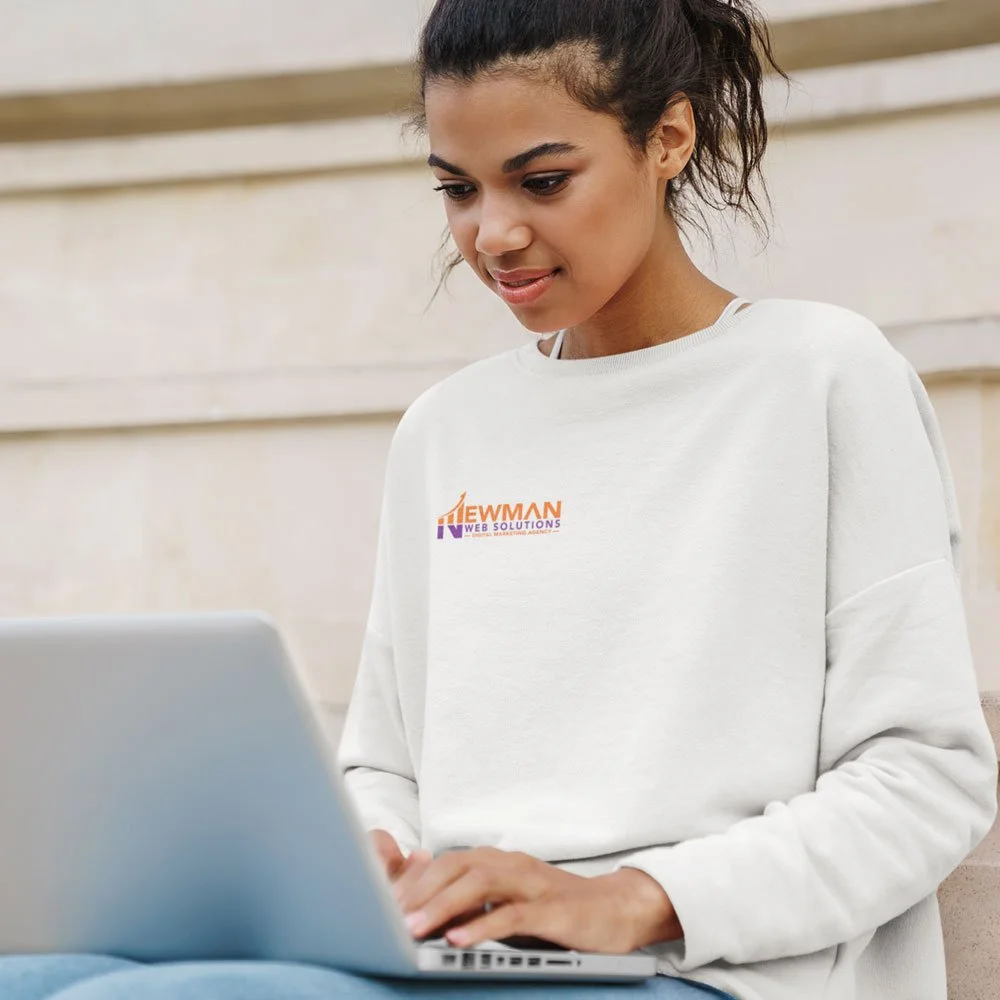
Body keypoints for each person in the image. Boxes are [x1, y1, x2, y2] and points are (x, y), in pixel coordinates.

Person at [2, 1, 995, 999]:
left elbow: (925, 776)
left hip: (712, 970)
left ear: (668, 138)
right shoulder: (446, 428)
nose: (494, 233)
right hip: (461, 955)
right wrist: (375, 856)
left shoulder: (823, 375)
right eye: (456, 189)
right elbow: (385, 766)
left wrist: (631, 895)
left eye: (543, 180)